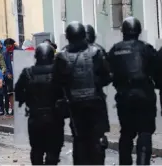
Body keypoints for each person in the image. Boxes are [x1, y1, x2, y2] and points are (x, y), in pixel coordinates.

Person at [53, 21, 111, 165]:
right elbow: (106, 76)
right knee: (97, 137)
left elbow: (57, 82)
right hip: (95, 101)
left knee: (79, 139)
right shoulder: (96, 52)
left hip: (74, 103)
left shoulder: (62, 56)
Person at [107, 17, 160, 165]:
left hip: (124, 96)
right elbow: (156, 69)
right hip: (144, 95)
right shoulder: (146, 48)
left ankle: (125, 162)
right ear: (138, 31)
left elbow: (108, 72)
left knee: (126, 133)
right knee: (145, 132)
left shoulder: (115, 50)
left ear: (123, 31)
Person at [15, 43, 64, 165]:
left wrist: (25, 100)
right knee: (53, 150)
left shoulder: (28, 73)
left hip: (35, 116)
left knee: (37, 149)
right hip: (55, 117)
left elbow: (18, 92)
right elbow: (66, 91)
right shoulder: (58, 73)